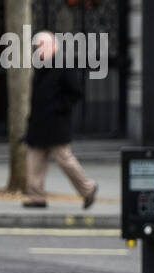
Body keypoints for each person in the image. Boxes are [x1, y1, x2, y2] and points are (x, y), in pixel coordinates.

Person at [21, 30, 97, 210]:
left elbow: (75, 93)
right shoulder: (40, 67)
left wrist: (58, 108)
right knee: (34, 161)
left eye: (41, 46)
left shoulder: (64, 66)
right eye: (36, 46)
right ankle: (36, 196)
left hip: (56, 124)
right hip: (39, 124)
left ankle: (88, 189)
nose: (37, 49)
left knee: (64, 160)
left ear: (53, 46)